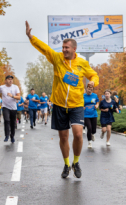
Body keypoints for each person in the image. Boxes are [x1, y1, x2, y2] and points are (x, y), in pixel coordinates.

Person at [26, 21, 99, 179]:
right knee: (63, 137)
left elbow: (93, 74)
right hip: (59, 104)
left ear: (74, 49)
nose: (64, 50)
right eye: (63, 47)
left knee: (78, 135)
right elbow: (45, 49)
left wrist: (93, 81)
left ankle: (76, 162)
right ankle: (66, 164)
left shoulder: (82, 63)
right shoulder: (57, 58)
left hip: (76, 105)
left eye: (67, 48)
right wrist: (31, 37)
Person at [0, 75, 21, 142]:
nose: (10, 80)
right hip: (5, 107)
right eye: (9, 79)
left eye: (11, 79)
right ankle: (7, 135)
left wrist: (12, 96)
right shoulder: (2, 87)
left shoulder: (15, 87)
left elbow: (19, 97)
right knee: (7, 120)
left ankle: (12, 136)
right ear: (6, 80)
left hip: (13, 108)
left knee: (13, 123)